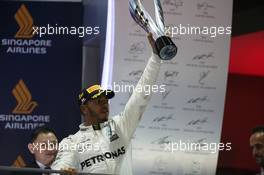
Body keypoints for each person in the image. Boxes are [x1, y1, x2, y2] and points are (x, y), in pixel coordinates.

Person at [51, 33, 166, 174]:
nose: (104, 104)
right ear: (84, 109)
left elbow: (141, 95)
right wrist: (62, 172)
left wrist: (155, 57)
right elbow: (59, 168)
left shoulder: (121, 125)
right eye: (98, 101)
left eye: (106, 101)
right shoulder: (71, 142)